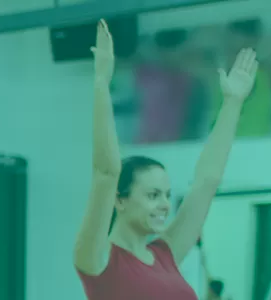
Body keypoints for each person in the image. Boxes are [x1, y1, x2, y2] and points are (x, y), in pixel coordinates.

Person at [74, 21, 259, 300]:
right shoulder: (98, 258)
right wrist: (101, 84)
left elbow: (207, 181)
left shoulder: (165, 254)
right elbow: (106, 172)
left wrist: (232, 103)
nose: (164, 204)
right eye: (152, 195)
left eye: (166, 195)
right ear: (120, 200)